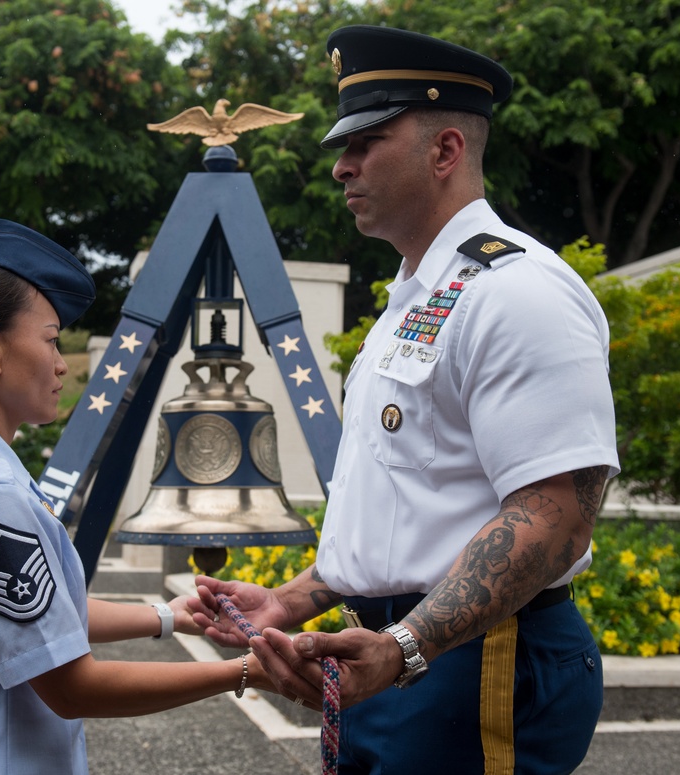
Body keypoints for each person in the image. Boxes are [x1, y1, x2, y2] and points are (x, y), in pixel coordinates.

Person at [191, 25, 621, 774]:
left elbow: (557, 515)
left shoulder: (517, 292)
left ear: (445, 150)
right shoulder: (414, 300)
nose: (340, 166)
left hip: (474, 663)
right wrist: (291, 601)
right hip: (393, 660)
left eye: (365, 142)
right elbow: (408, 510)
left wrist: (406, 646)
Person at [0, 218, 271, 774]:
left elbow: (43, 613)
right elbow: (73, 688)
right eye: (49, 340)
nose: (61, 363)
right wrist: (248, 672)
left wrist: (167, 617)